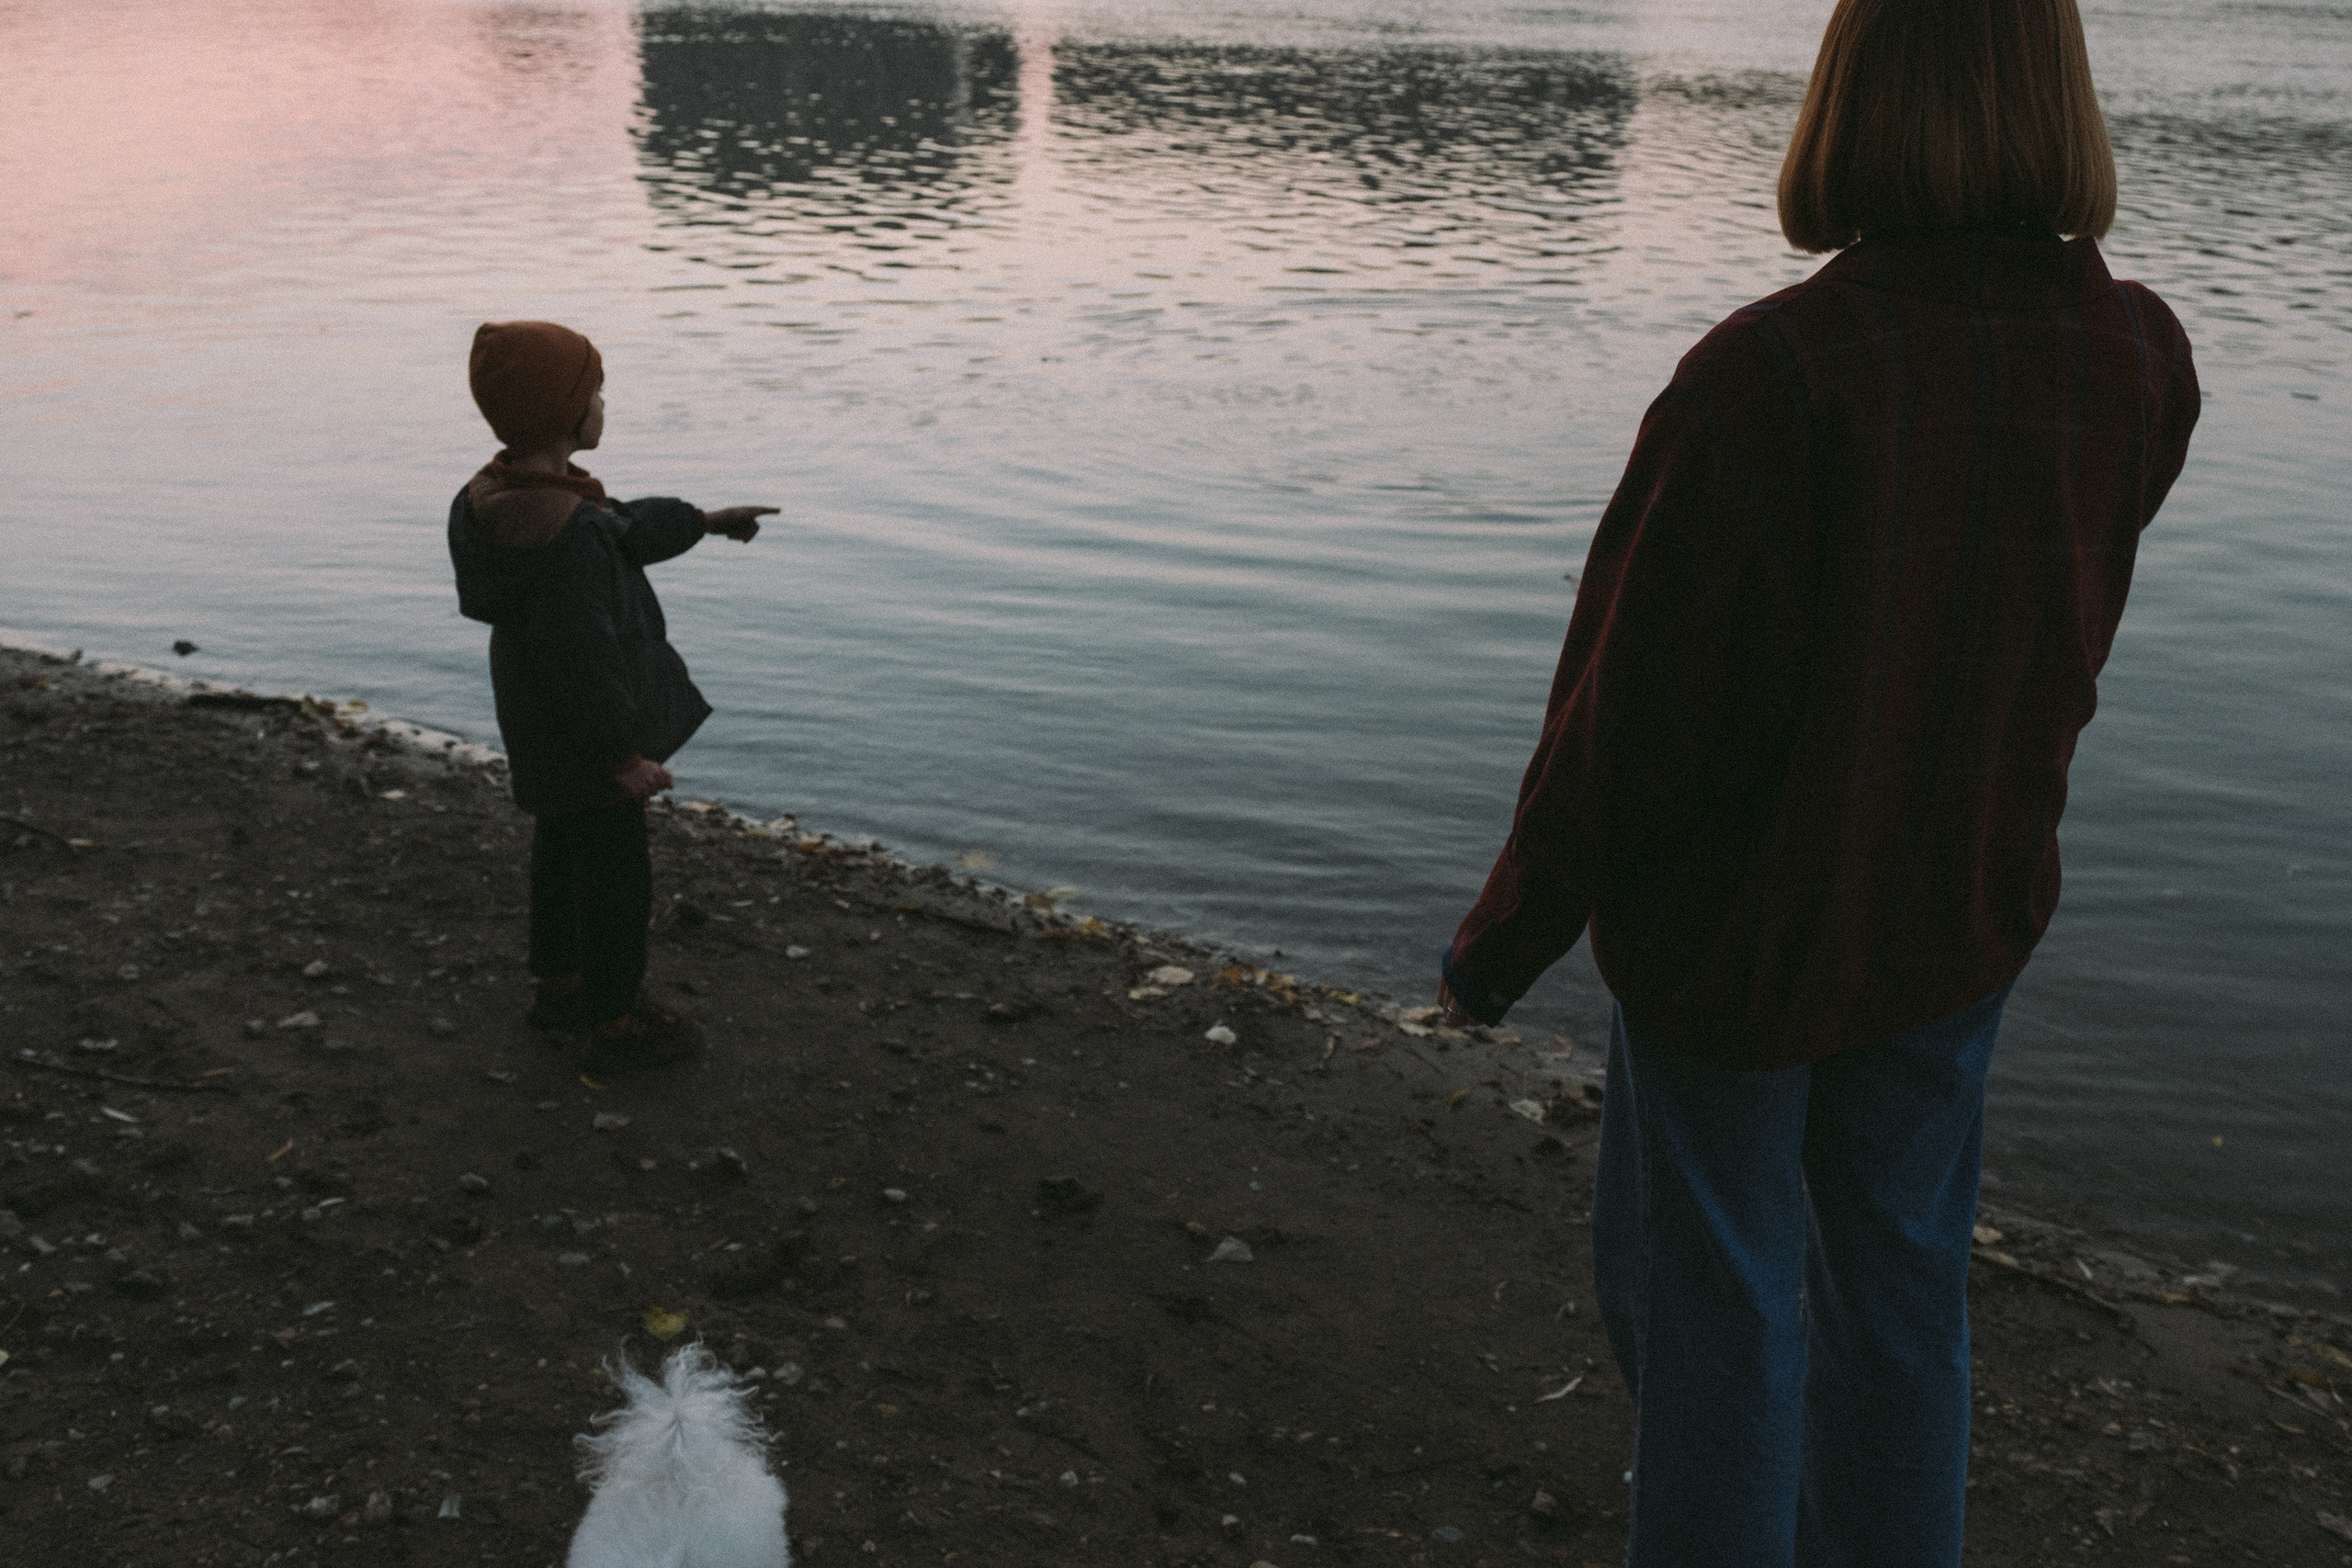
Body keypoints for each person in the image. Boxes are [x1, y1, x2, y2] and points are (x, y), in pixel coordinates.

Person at [1435, 1, 2199, 1562]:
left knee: (1715, 1308)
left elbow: (1622, 719)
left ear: (1848, 98)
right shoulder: (2137, 356)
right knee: (1906, 1296)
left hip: (1739, 937)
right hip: (1958, 912)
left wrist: (1497, 946)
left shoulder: (1766, 377)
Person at [447, 320, 775, 1076]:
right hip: (588, 731)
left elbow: (621, 525)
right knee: (617, 874)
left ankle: (558, 983)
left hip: (532, 715)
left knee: (559, 848)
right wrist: (622, 754)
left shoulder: (497, 496)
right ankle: (615, 1021)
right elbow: (587, 655)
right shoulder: (572, 532)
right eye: (594, 390)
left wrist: (703, 521)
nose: (603, 401)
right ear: (564, 411)